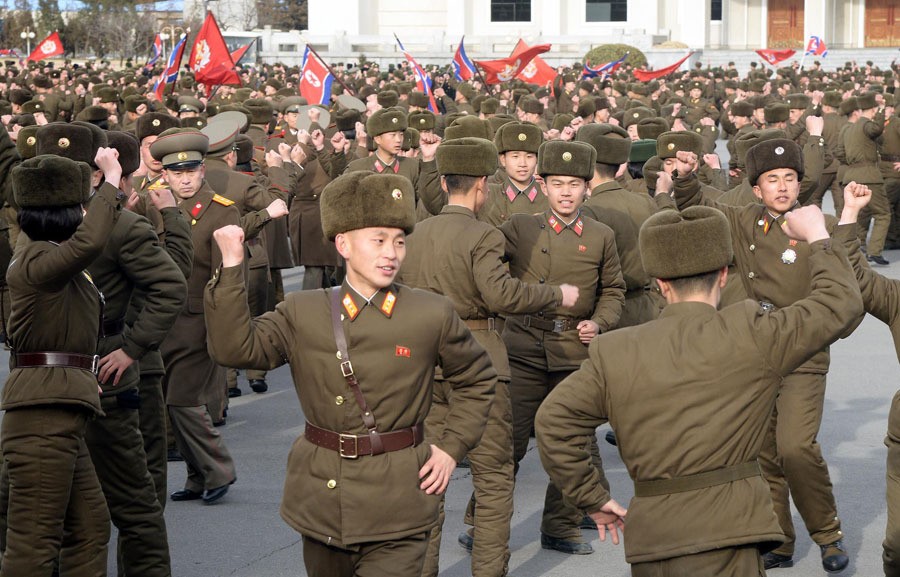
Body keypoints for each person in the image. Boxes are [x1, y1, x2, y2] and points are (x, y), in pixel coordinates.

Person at [535, 199, 863, 576]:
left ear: (660, 284)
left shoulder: (617, 350)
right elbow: (841, 302)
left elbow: (552, 422)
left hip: (653, 537)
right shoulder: (751, 332)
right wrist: (820, 236)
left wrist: (590, 497)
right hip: (731, 533)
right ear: (724, 275)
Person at [203, 170, 497, 577]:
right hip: (323, 496)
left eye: (398, 241)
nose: (391, 252)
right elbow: (234, 349)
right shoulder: (304, 311)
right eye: (378, 240)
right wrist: (233, 266)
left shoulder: (430, 312)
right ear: (343, 243)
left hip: (398, 498)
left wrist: (451, 448)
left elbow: (478, 379)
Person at [668, 139, 859, 572]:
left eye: (789, 178)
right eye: (772, 180)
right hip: (754, 352)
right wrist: (685, 174)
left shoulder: (817, 225)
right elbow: (696, 204)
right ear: (756, 189)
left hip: (802, 351)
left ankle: (828, 536)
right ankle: (780, 540)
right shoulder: (742, 221)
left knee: (795, 447)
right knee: (765, 452)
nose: (782, 187)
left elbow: (845, 283)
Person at [399, 137, 579, 577]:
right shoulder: (483, 234)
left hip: (427, 364)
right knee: (494, 477)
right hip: (480, 363)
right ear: (482, 184)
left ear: (443, 182)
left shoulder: (417, 233)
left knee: (428, 479)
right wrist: (555, 293)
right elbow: (501, 294)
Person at [2, 150, 125, 577]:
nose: (84, 213)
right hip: (42, 416)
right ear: (62, 215)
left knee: (90, 527)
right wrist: (111, 180)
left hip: (60, 406)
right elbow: (90, 241)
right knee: (32, 544)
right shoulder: (37, 261)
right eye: (79, 206)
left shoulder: (41, 253)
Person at [501, 139, 626, 554]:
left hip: (573, 352)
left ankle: (560, 524)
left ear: (587, 188)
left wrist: (600, 321)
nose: (567, 192)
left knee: (571, 441)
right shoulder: (520, 226)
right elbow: (487, 268)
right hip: (522, 347)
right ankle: (483, 524)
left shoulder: (601, 235)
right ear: (543, 185)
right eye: (558, 184)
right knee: (508, 443)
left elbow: (614, 290)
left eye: (574, 184)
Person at [150, 128, 240, 505]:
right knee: (170, 401)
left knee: (184, 400)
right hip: (160, 324)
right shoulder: (150, 204)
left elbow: (228, 276)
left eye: (192, 170)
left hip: (198, 320)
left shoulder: (222, 209)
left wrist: (224, 326)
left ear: (203, 170)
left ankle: (219, 468)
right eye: (176, 173)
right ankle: (196, 474)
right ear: (165, 175)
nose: (185, 179)